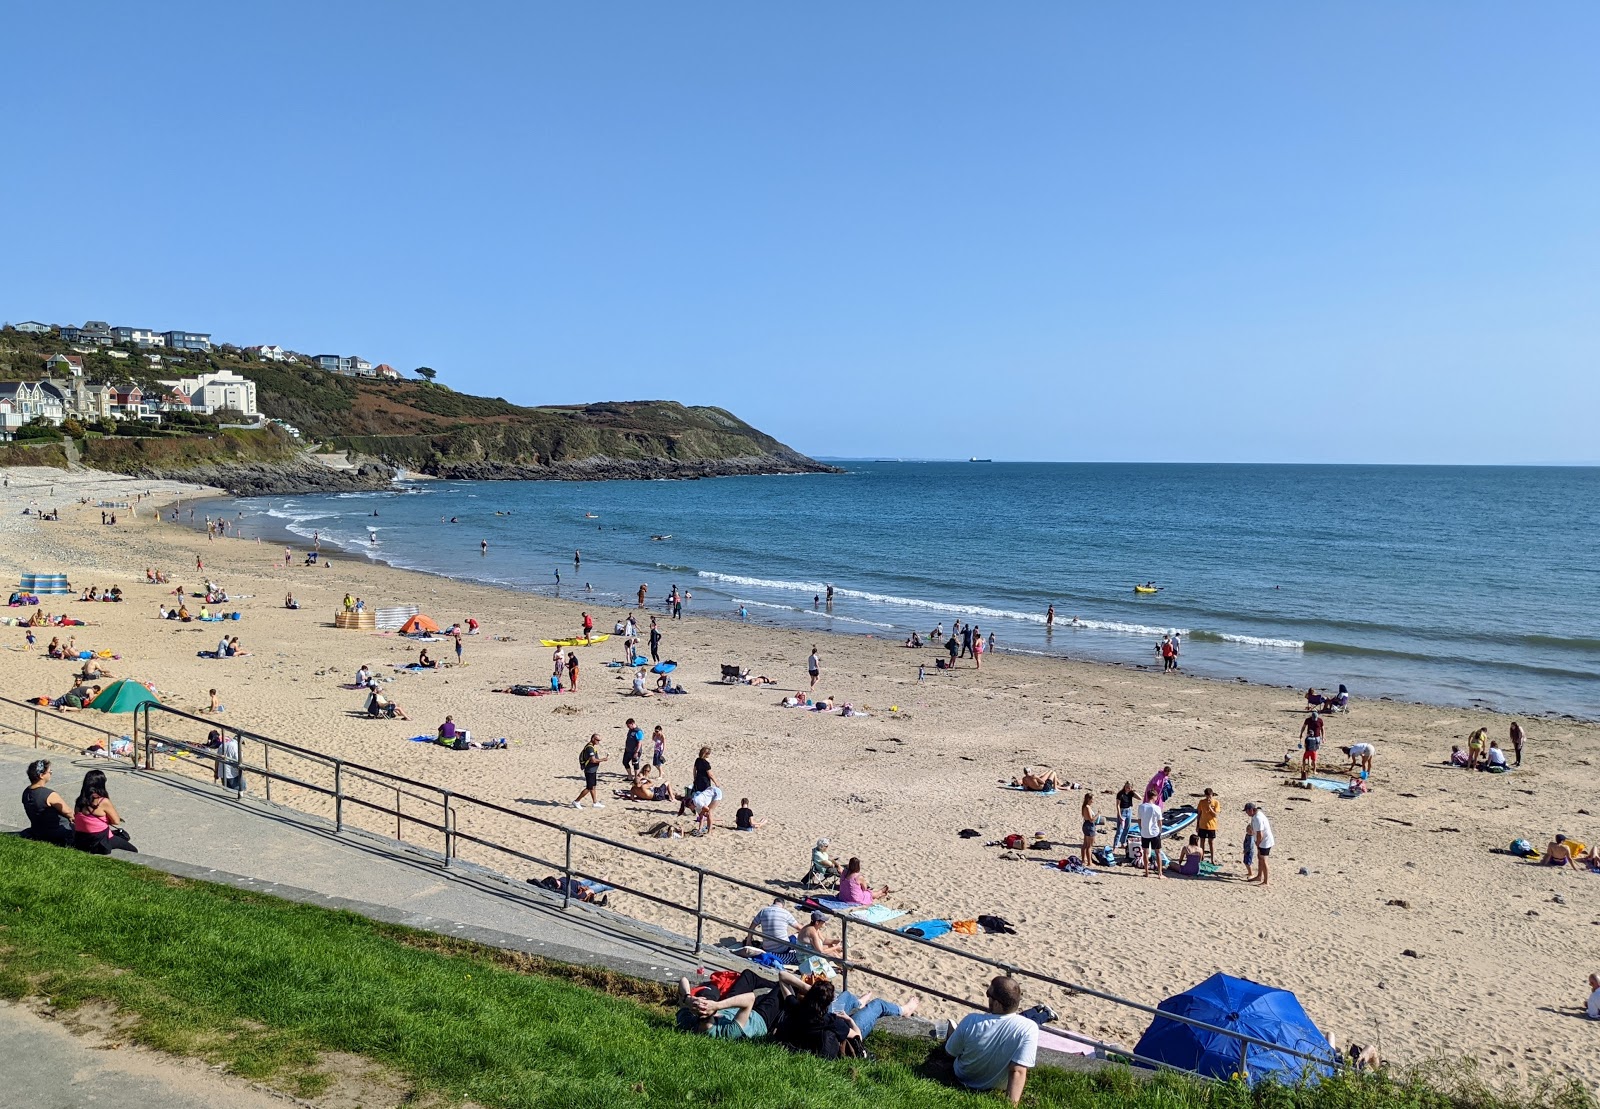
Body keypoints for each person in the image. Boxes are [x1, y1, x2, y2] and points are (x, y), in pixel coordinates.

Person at [941, 976, 1039, 1106]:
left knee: (957, 1036)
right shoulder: (1029, 1028)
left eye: (989, 994)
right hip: (999, 1085)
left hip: (963, 1077)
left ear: (997, 1004)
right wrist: (1010, 1106)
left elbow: (950, 1053)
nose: (987, 997)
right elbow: (1018, 1071)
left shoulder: (972, 1021)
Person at [72, 769, 136, 854]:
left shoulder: (79, 801)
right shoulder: (102, 801)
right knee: (133, 850)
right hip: (99, 840)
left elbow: (78, 818)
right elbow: (116, 821)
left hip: (81, 839)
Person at [21, 758, 73, 846]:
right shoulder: (49, 795)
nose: (51, 774)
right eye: (50, 772)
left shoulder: (26, 792)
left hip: (38, 831)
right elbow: (69, 812)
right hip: (58, 832)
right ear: (41, 775)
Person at [1244, 802, 1274, 885]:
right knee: (1259, 857)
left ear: (1251, 810)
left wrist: (1258, 844)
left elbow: (1260, 834)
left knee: (1264, 860)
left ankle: (1266, 881)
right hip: (1261, 841)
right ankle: (1259, 876)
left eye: (1247, 811)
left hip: (1265, 842)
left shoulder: (1258, 818)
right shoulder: (1256, 815)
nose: (1246, 813)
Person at [1137, 789, 1164, 879]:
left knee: (1145, 852)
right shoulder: (1156, 808)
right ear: (1154, 797)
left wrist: (1142, 829)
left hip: (1145, 832)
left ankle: (1146, 872)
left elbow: (1139, 820)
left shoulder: (1141, 807)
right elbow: (1160, 822)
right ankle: (1160, 873)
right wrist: (1160, 831)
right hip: (1154, 832)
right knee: (1158, 853)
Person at [574, 733, 605, 808]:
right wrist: (603, 759)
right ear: (593, 739)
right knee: (589, 788)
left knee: (593, 786)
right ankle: (576, 801)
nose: (598, 742)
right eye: (597, 740)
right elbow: (593, 760)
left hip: (593, 770)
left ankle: (595, 802)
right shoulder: (590, 748)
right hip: (589, 770)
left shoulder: (592, 746)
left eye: (599, 740)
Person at [1196, 786, 1220, 864]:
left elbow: (1215, 815)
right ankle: (1201, 857)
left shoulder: (1216, 802)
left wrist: (1210, 807)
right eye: (1207, 796)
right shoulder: (1201, 802)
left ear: (1212, 795)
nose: (1208, 797)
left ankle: (1212, 859)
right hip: (1202, 824)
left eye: (1209, 796)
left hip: (1212, 825)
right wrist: (1197, 825)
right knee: (1202, 841)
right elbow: (1199, 814)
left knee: (1211, 842)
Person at [1114, 780, 1136, 849]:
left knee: (1127, 828)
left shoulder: (1130, 793)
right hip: (1122, 811)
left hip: (1129, 810)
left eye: (1129, 787)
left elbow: (1140, 798)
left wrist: (1133, 791)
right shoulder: (1120, 793)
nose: (1127, 789)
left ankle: (1123, 843)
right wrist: (1119, 815)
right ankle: (1115, 845)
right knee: (1119, 829)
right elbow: (1117, 805)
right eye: (1127, 787)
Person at [1080, 790, 1098, 866]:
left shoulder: (1085, 806)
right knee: (1089, 846)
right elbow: (1091, 819)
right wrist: (1098, 814)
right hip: (1089, 826)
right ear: (1089, 799)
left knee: (1085, 844)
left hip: (1086, 825)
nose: (1093, 801)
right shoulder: (1087, 807)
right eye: (1092, 799)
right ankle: (1089, 862)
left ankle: (1083, 860)